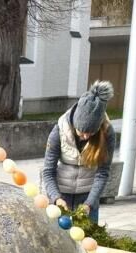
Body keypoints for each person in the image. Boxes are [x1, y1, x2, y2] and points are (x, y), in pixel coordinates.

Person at [41, 81, 117, 224]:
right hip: (61, 194)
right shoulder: (58, 131)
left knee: (88, 236)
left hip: (88, 197)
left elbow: (102, 173)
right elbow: (48, 171)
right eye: (82, 132)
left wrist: (89, 203)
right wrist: (56, 198)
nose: (86, 136)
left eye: (91, 132)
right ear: (74, 123)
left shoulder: (108, 134)